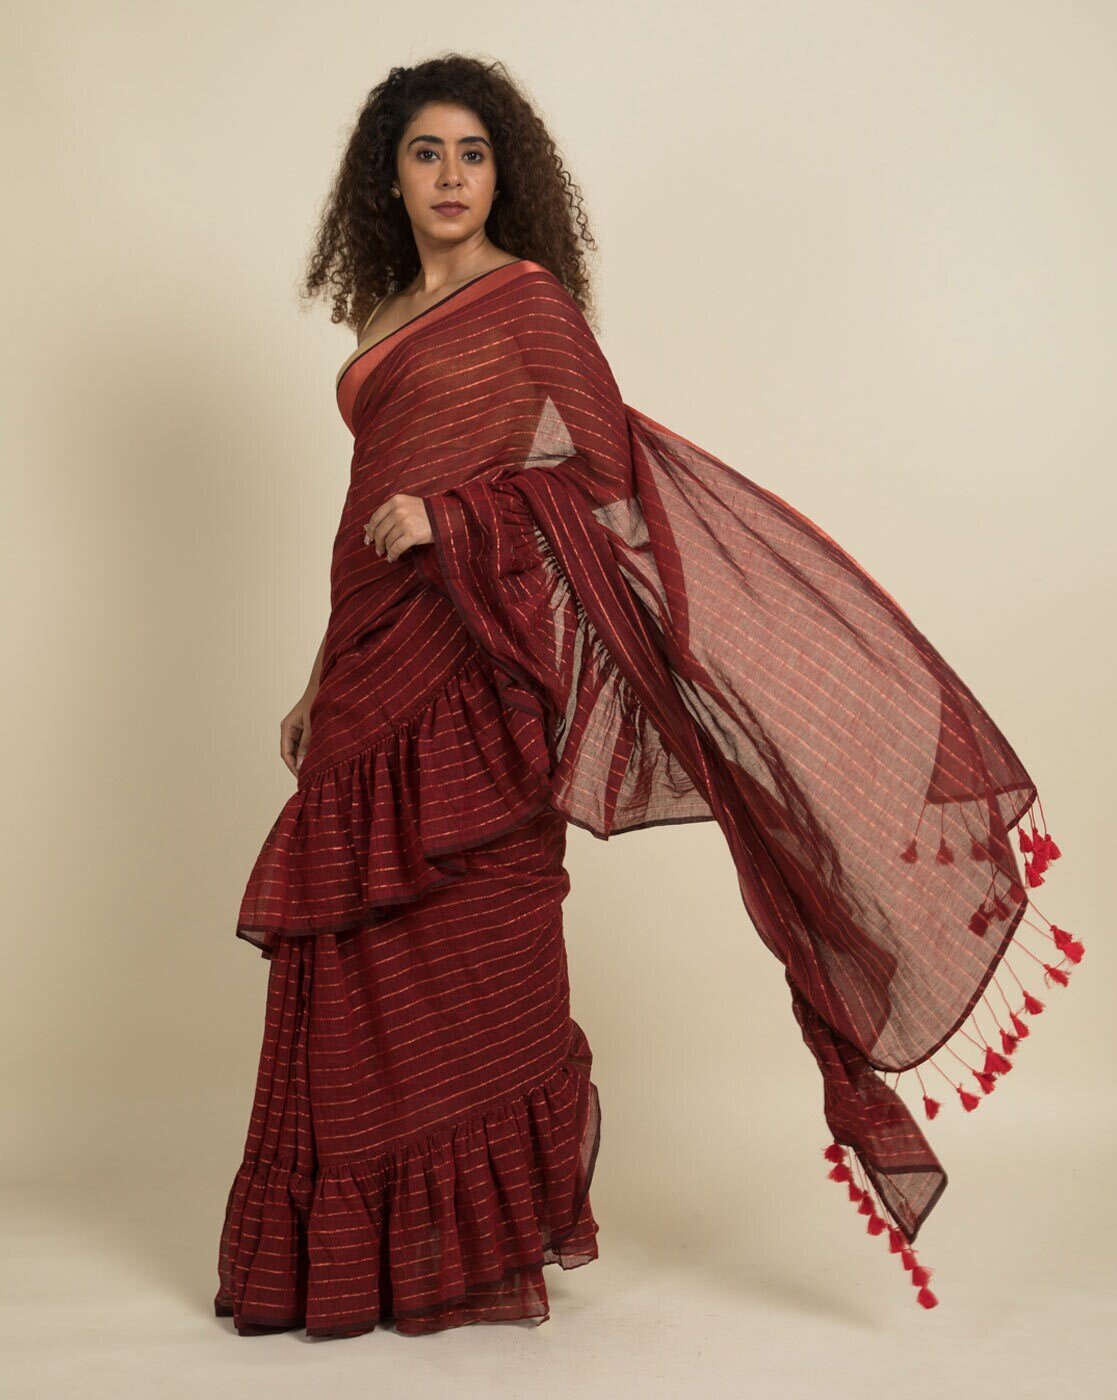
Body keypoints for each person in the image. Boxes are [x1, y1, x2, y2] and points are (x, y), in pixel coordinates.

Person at [215, 56, 1084, 1338]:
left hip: (480, 666)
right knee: (357, 957)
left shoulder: (527, 302)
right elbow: (364, 517)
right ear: (385, 177)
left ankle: (478, 1247)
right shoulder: (378, 321)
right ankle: (369, 1261)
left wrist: (456, 517)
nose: (450, 176)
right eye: (425, 153)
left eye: (472, 154)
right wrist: (315, 668)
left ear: (502, 174)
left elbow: (606, 479)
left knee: (485, 945)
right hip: (368, 659)